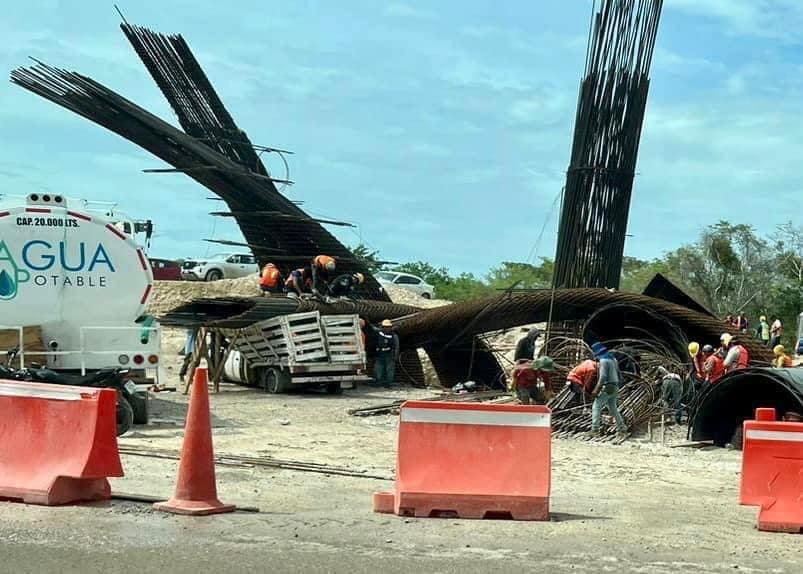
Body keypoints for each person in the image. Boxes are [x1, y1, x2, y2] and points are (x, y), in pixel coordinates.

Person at [589, 342, 627, 438]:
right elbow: (619, 374)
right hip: (615, 386)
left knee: (596, 407)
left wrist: (596, 390)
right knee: (613, 409)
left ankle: (595, 429)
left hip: (608, 386)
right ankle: (622, 428)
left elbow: (603, 377)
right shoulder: (613, 360)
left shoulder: (603, 361)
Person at [372, 319, 399, 388]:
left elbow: (396, 346)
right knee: (378, 368)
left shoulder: (394, 336)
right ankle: (379, 382)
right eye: (385, 327)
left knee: (389, 369)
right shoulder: (379, 334)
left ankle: (388, 383)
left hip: (390, 354)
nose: (387, 328)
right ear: (382, 327)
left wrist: (395, 356)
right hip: (380, 354)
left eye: (388, 327)